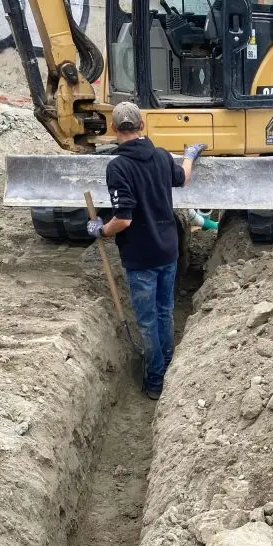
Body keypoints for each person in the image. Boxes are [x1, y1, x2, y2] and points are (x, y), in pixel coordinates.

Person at [86, 102, 207, 400]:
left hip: (141, 257)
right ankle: (167, 365)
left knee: (148, 320)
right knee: (165, 311)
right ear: (142, 125)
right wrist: (190, 155)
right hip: (168, 250)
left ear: (114, 129)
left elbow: (124, 218)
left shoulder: (118, 167)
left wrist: (100, 229)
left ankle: (156, 380)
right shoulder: (162, 156)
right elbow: (183, 177)